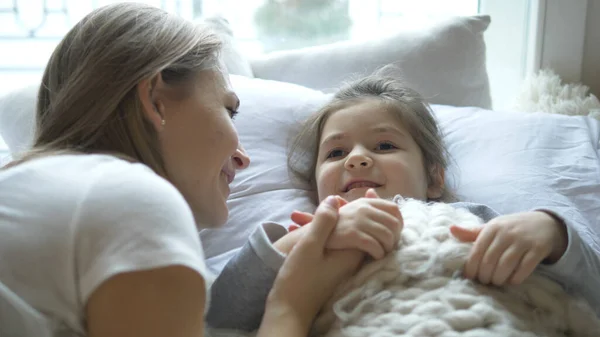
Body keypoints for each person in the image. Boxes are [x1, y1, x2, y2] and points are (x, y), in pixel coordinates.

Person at [0, 3, 363, 337]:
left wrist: (284, 254)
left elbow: (208, 316)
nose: (243, 157)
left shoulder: (55, 194)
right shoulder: (132, 198)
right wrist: (292, 302)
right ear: (155, 100)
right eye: (229, 110)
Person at [207, 71, 600, 331]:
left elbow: (586, 293)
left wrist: (552, 235)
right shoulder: (306, 240)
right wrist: (294, 242)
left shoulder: (468, 219)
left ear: (433, 180)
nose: (357, 158)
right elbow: (220, 312)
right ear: (315, 189)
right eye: (335, 153)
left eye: (384, 145)